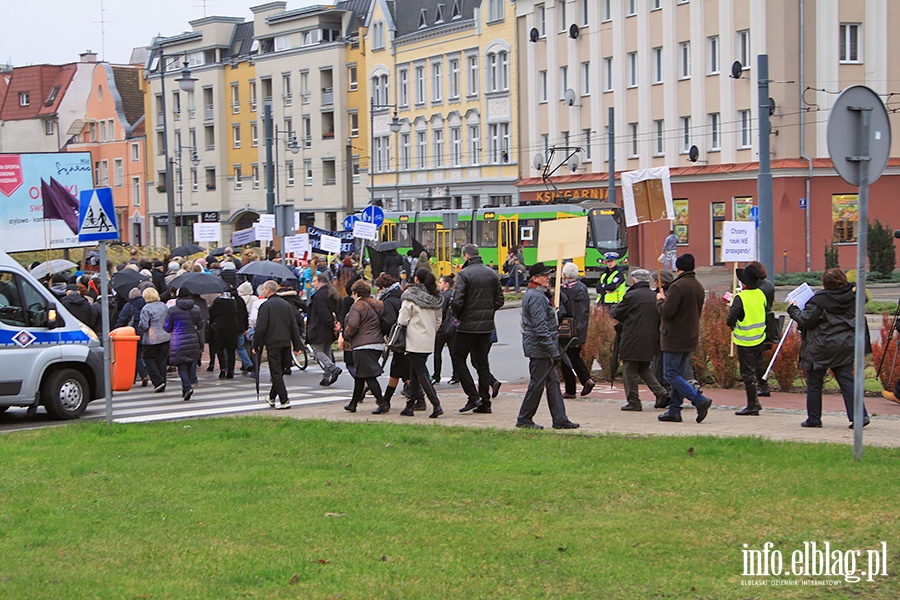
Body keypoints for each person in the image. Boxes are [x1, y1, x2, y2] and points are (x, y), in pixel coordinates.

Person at [787, 268, 869, 428]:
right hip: (844, 345)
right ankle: (859, 416)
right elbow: (863, 298)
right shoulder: (853, 297)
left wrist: (793, 309)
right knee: (846, 380)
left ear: (825, 284)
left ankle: (814, 419)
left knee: (814, 383)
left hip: (821, 346)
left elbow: (806, 320)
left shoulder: (819, 300)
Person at [516, 262, 580, 430]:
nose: (548, 278)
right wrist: (552, 349)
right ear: (535, 278)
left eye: (548, 275)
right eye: (545, 276)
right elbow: (540, 326)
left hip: (543, 346)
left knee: (552, 383)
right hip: (540, 348)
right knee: (537, 384)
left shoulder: (539, 295)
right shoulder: (536, 297)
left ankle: (560, 418)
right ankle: (524, 418)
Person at [656, 254, 713, 423]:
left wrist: (660, 301)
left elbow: (667, 311)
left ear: (677, 268)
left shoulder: (678, 286)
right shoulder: (698, 286)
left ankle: (698, 400)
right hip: (690, 335)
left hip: (674, 336)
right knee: (678, 374)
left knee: (670, 374)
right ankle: (674, 410)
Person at [451, 244, 504, 414]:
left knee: (458, 358)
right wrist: (488, 312)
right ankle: (485, 402)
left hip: (467, 325)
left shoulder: (464, 275)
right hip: (486, 326)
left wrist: (458, 315)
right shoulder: (491, 273)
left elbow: (457, 300)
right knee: (482, 364)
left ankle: (472, 396)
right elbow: (499, 300)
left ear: (466, 256)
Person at [611, 269, 669, 411]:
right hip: (651, 337)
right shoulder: (654, 296)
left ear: (634, 280)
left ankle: (634, 401)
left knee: (629, 369)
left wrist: (613, 308)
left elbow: (618, 313)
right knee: (643, 367)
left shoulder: (631, 296)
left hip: (632, 337)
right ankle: (661, 392)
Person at [397, 268, 444, 418]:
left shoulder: (410, 296)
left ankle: (436, 404)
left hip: (414, 339)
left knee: (422, 374)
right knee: (415, 372)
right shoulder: (435, 297)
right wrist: (430, 330)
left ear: (416, 279)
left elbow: (403, 320)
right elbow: (438, 320)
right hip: (428, 339)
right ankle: (410, 405)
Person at [727, 263, 770, 416]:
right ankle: (761, 391)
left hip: (745, 340)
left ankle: (753, 404)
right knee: (757, 366)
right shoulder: (761, 294)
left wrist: (733, 321)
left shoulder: (741, 297)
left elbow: (730, 319)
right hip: (759, 337)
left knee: (747, 373)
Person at [253, 280, 303, 410]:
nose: (263, 291)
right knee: (279, 372)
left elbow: (261, 327)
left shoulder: (265, 306)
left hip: (273, 342)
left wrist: (255, 344)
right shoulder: (286, 305)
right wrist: (297, 345)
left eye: (264, 289)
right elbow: (293, 326)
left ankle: (284, 399)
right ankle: (271, 397)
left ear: (268, 290)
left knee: (276, 372)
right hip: (286, 342)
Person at [342, 278, 387, 413]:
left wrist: (346, 335)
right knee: (361, 375)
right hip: (377, 343)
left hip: (363, 344)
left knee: (369, 376)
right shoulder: (379, 304)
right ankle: (353, 403)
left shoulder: (357, 306)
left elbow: (353, 324)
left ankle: (382, 402)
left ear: (356, 293)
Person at [558, 262, 595, 398]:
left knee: (565, 357)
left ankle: (574, 387)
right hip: (580, 327)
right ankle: (584, 381)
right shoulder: (582, 288)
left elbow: (561, 311)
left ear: (565, 275)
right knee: (574, 355)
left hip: (566, 328)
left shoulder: (562, 290)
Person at [376, 273, 410, 411]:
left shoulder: (388, 301)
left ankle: (418, 398)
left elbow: (389, 321)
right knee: (396, 371)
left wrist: (384, 332)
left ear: (384, 288)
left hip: (398, 340)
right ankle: (386, 401)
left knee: (404, 372)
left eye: (379, 288)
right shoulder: (401, 297)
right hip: (406, 338)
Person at [164, 288, 202, 401]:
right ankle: (187, 386)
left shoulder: (173, 310)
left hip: (178, 340)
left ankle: (187, 386)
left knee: (181, 366)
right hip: (193, 338)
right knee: (190, 363)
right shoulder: (196, 309)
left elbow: (167, 327)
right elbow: (200, 324)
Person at [746, 260, 775, 397]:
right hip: (765, 323)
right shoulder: (769, 285)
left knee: (754, 358)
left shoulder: (756, 289)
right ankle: (762, 384)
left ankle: (761, 385)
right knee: (758, 357)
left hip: (753, 324)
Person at [307, 273, 343, 386]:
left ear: (321, 282)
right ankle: (326, 377)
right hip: (329, 327)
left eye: (314, 281)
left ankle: (332, 368)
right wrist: (335, 324)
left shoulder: (319, 295)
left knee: (317, 351)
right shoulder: (331, 293)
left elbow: (323, 313)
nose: (312, 283)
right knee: (326, 350)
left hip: (319, 327)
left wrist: (331, 324)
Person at [115, 287, 149, 387]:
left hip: (132, 333)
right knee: (140, 355)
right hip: (145, 333)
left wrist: (117, 329)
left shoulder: (128, 306)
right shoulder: (146, 304)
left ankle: (143, 375)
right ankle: (134, 378)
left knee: (134, 356)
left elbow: (122, 319)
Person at [139, 287, 171, 393]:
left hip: (151, 338)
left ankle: (158, 380)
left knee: (147, 358)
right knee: (161, 360)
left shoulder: (146, 308)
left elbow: (144, 325)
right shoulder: (164, 306)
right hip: (165, 336)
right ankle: (162, 382)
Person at [208, 290, 241, 379]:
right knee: (231, 350)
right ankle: (231, 370)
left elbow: (211, 312)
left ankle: (223, 369)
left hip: (220, 327)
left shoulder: (218, 301)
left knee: (220, 348)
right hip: (233, 327)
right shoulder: (233, 301)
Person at [432, 273, 457, 384]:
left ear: (446, 284)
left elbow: (439, 312)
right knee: (454, 353)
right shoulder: (455, 294)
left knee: (437, 352)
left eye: (441, 282)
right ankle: (456, 375)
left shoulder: (444, 296)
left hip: (442, 328)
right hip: (453, 327)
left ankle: (436, 375)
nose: (439, 284)